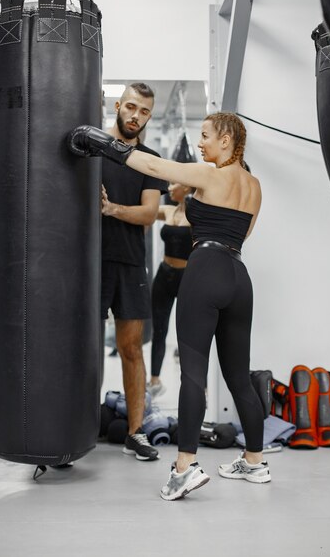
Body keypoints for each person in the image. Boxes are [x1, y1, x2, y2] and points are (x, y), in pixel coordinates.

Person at [68, 111, 271, 498]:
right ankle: (256, 461)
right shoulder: (255, 185)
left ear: (227, 140)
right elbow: (245, 231)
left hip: (205, 270)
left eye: (206, 135)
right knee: (238, 376)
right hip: (238, 277)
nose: (201, 142)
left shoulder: (210, 174)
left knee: (193, 373)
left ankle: (184, 467)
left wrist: (102, 143)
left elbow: (152, 164)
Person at [99, 82, 167, 462]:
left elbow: (148, 215)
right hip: (88, 263)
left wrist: (113, 210)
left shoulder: (149, 159)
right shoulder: (93, 148)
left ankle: (136, 432)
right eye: (130, 107)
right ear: (117, 105)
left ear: (149, 117)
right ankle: (74, 424)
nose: (135, 116)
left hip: (129, 262)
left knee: (131, 349)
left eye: (143, 111)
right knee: (81, 348)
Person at [147, 182, 193, 398]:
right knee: (159, 330)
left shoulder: (197, 217)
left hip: (187, 278)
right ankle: (154, 380)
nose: (170, 187)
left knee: (188, 334)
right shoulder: (168, 211)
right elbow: (143, 210)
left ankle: (193, 384)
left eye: (175, 183)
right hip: (164, 275)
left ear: (188, 188)